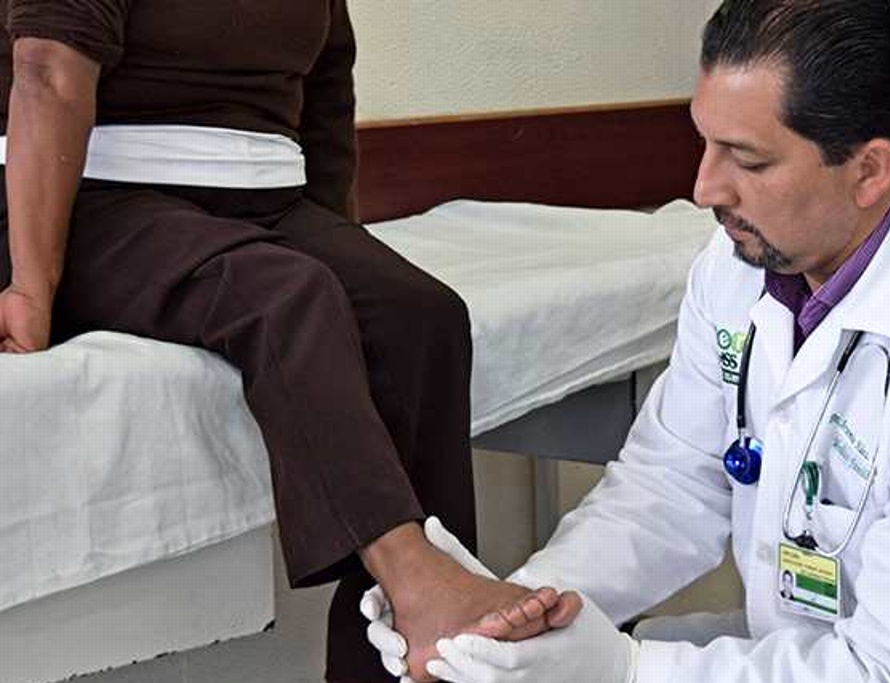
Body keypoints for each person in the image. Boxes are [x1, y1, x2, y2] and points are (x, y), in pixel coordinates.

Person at [362, 1, 890, 681]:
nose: (704, 188)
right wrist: (516, 612)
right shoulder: (742, 265)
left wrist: (628, 669)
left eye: (748, 160)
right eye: (705, 142)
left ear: (869, 170)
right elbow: (673, 483)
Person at [0, 2, 578, 682]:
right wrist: (30, 288)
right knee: (288, 295)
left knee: (421, 317)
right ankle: (417, 579)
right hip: (79, 201)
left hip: (262, 201)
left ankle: (405, 664)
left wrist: (347, 259)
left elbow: (326, 100)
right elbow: (47, 72)